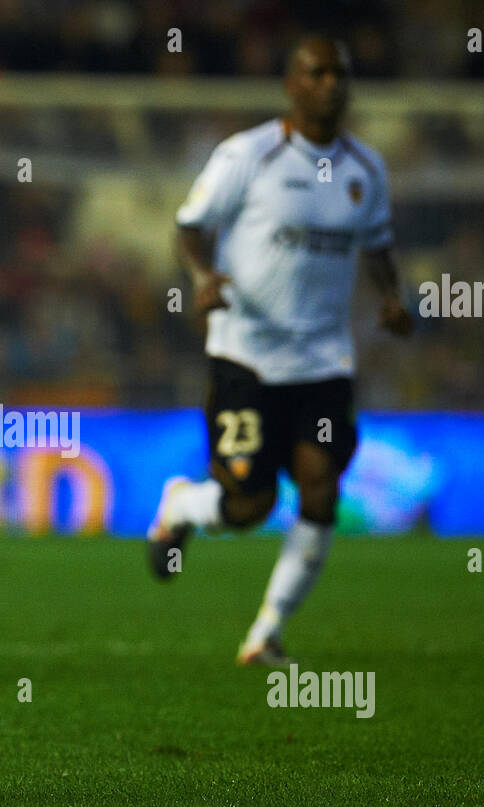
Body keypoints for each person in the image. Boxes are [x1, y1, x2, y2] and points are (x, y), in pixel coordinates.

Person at [147, 35, 411, 666]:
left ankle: (265, 633)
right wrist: (202, 279)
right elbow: (188, 226)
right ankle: (183, 502)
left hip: (323, 362)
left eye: (340, 74)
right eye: (317, 73)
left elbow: (375, 244)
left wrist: (391, 298)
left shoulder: (365, 171)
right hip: (247, 355)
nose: (331, 84)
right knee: (248, 504)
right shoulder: (248, 155)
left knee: (320, 488)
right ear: (292, 84)